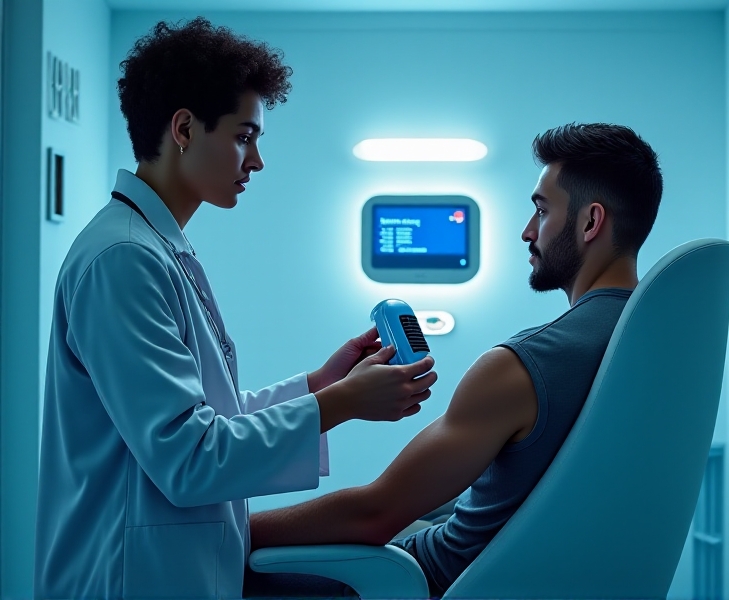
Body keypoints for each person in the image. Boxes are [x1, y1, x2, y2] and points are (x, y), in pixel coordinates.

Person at [33, 17, 436, 600]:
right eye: (245, 136)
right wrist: (338, 405)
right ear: (184, 128)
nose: (257, 161)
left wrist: (320, 385)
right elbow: (190, 456)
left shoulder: (154, 246)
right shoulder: (122, 259)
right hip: (126, 578)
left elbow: (201, 418)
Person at [251, 122, 663, 598]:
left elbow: (374, 513)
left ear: (591, 222)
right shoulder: (654, 351)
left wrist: (227, 532)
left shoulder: (522, 365)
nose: (527, 231)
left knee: (237, 569)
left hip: (421, 580)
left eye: (541, 210)